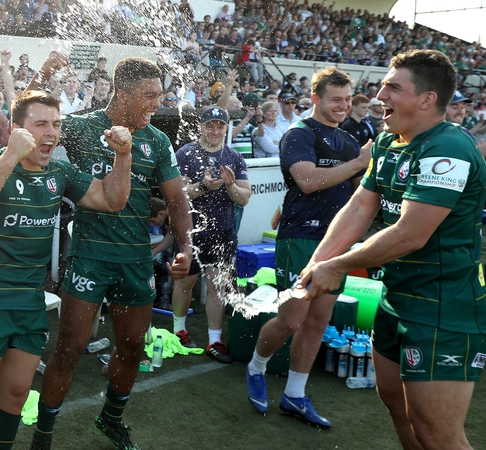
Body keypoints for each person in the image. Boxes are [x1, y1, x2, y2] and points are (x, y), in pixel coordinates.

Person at [300, 49, 486, 449]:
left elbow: (409, 234)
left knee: (437, 433)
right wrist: (319, 261)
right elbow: (358, 208)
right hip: (395, 296)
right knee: (398, 407)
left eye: (392, 87)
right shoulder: (387, 141)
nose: (379, 93)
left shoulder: (448, 149)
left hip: (442, 306)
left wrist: (339, 266)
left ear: (427, 99)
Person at [0, 89, 132, 450]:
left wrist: (124, 156)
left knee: (14, 396)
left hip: (30, 303)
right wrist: (11, 155)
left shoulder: (59, 172)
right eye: (40, 123)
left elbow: (112, 199)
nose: (51, 133)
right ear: (17, 129)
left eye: (56, 125)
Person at [27, 52, 193, 450]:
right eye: (149, 94)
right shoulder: (84, 127)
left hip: (136, 259)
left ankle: (111, 419)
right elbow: (30, 120)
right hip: (90, 255)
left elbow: (177, 200)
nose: (157, 103)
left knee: (133, 348)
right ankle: (43, 436)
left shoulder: (157, 140)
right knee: (70, 347)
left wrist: (185, 248)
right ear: (123, 92)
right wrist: (45, 73)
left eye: (160, 94)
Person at [245, 66, 370, 428]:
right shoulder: (299, 133)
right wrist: (360, 162)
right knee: (291, 319)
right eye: (336, 99)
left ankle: (294, 395)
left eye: (348, 100)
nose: (343, 106)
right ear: (315, 98)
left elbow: (357, 192)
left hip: (337, 241)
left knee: (317, 322)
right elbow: (308, 180)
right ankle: (256, 367)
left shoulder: (346, 141)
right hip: (301, 237)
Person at [171, 107, 251, 361]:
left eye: (219, 126)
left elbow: (245, 198)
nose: (214, 131)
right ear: (201, 126)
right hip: (190, 231)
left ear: (226, 128)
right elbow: (177, 194)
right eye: (210, 125)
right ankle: (179, 331)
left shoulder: (235, 157)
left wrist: (230, 185)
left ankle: (214, 341)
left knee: (217, 286)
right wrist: (203, 186)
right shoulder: (185, 154)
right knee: (186, 282)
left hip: (223, 232)